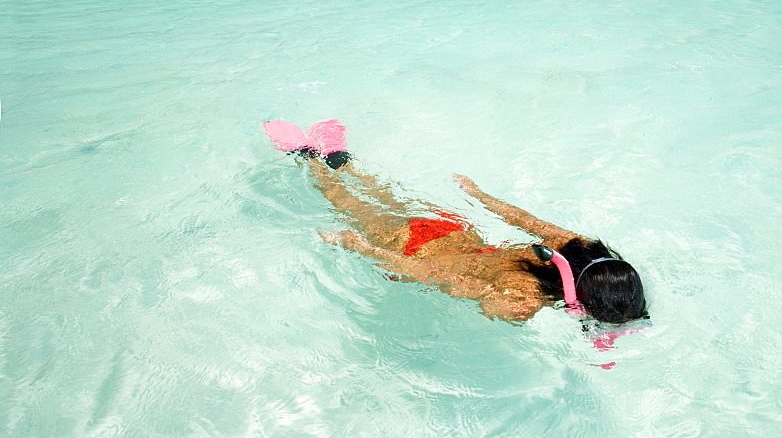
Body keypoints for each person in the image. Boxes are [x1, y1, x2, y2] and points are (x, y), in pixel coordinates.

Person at [263, 119, 648, 326]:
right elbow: (437, 277)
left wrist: (477, 195)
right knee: (344, 202)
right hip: (412, 246)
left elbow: (524, 219)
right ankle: (304, 154)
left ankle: (338, 156)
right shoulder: (521, 301)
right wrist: (364, 249)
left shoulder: (578, 245)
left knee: (382, 195)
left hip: (453, 227)